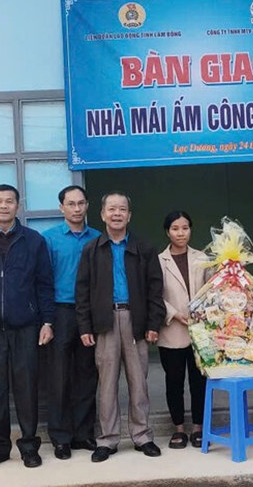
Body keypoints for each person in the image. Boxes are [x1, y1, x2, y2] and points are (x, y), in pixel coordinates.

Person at [0, 184, 55, 470]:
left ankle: (29, 445)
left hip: (25, 326)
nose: (4, 206)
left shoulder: (33, 241)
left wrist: (47, 321)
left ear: (18, 205)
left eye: (10, 201)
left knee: (26, 388)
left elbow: (44, 284)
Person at [75, 191, 166, 463]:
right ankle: (107, 440)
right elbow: (82, 291)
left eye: (122, 209)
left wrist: (153, 323)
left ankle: (142, 436)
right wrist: (84, 327)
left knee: (139, 382)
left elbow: (155, 288)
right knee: (106, 384)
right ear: (102, 214)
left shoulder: (143, 247)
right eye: (111, 209)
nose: (117, 214)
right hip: (104, 322)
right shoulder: (91, 249)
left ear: (129, 215)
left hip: (135, 320)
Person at [42, 185, 101, 459]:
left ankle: (83, 433)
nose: (76, 209)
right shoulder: (49, 239)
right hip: (61, 312)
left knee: (87, 375)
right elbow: (42, 282)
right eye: (71, 204)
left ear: (87, 206)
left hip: (89, 313)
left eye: (81, 203)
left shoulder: (98, 238)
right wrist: (47, 320)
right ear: (61, 208)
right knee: (59, 377)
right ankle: (61, 437)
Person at [157, 210, 207, 450]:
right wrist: (175, 314)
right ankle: (178, 429)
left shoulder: (203, 258)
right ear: (168, 231)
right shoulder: (159, 261)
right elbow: (154, 295)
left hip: (200, 331)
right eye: (175, 228)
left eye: (185, 228)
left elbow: (212, 290)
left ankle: (198, 427)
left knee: (199, 381)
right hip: (172, 331)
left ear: (191, 230)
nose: (180, 233)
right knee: (174, 381)